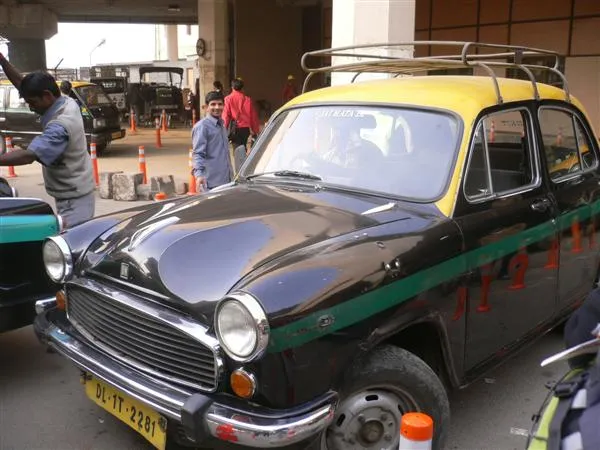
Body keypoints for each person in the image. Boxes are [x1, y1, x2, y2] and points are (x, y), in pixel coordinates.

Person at [0, 53, 95, 229]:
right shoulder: (66, 100)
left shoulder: (60, 125)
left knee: (72, 241)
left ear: (47, 95)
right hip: (74, 190)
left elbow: (29, 155)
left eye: (32, 102)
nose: (31, 107)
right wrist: (2, 60)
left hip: (74, 200)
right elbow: (22, 84)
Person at [191, 90, 233, 192]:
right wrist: (199, 175)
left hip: (226, 180)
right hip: (211, 183)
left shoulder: (221, 125)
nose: (217, 107)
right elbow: (198, 153)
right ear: (206, 107)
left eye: (220, 104)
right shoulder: (202, 127)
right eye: (213, 104)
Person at [222, 77, 261, 148]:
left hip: (234, 128)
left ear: (232, 87)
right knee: (244, 147)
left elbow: (226, 116)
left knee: (237, 149)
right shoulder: (247, 99)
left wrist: (223, 130)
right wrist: (256, 131)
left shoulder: (228, 99)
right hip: (245, 129)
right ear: (242, 88)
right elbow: (253, 117)